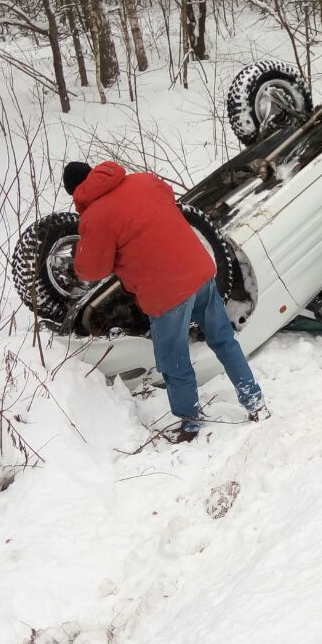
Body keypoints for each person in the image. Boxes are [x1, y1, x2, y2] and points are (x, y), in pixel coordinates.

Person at [63, 160, 266, 443]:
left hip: (166, 294)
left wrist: (79, 253)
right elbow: (167, 197)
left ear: (75, 192)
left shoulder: (94, 218)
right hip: (200, 271)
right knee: (223, 340)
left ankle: (190, 422)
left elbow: (92, 270)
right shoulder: (143, 180)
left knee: (174, 361)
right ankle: (254, 400)